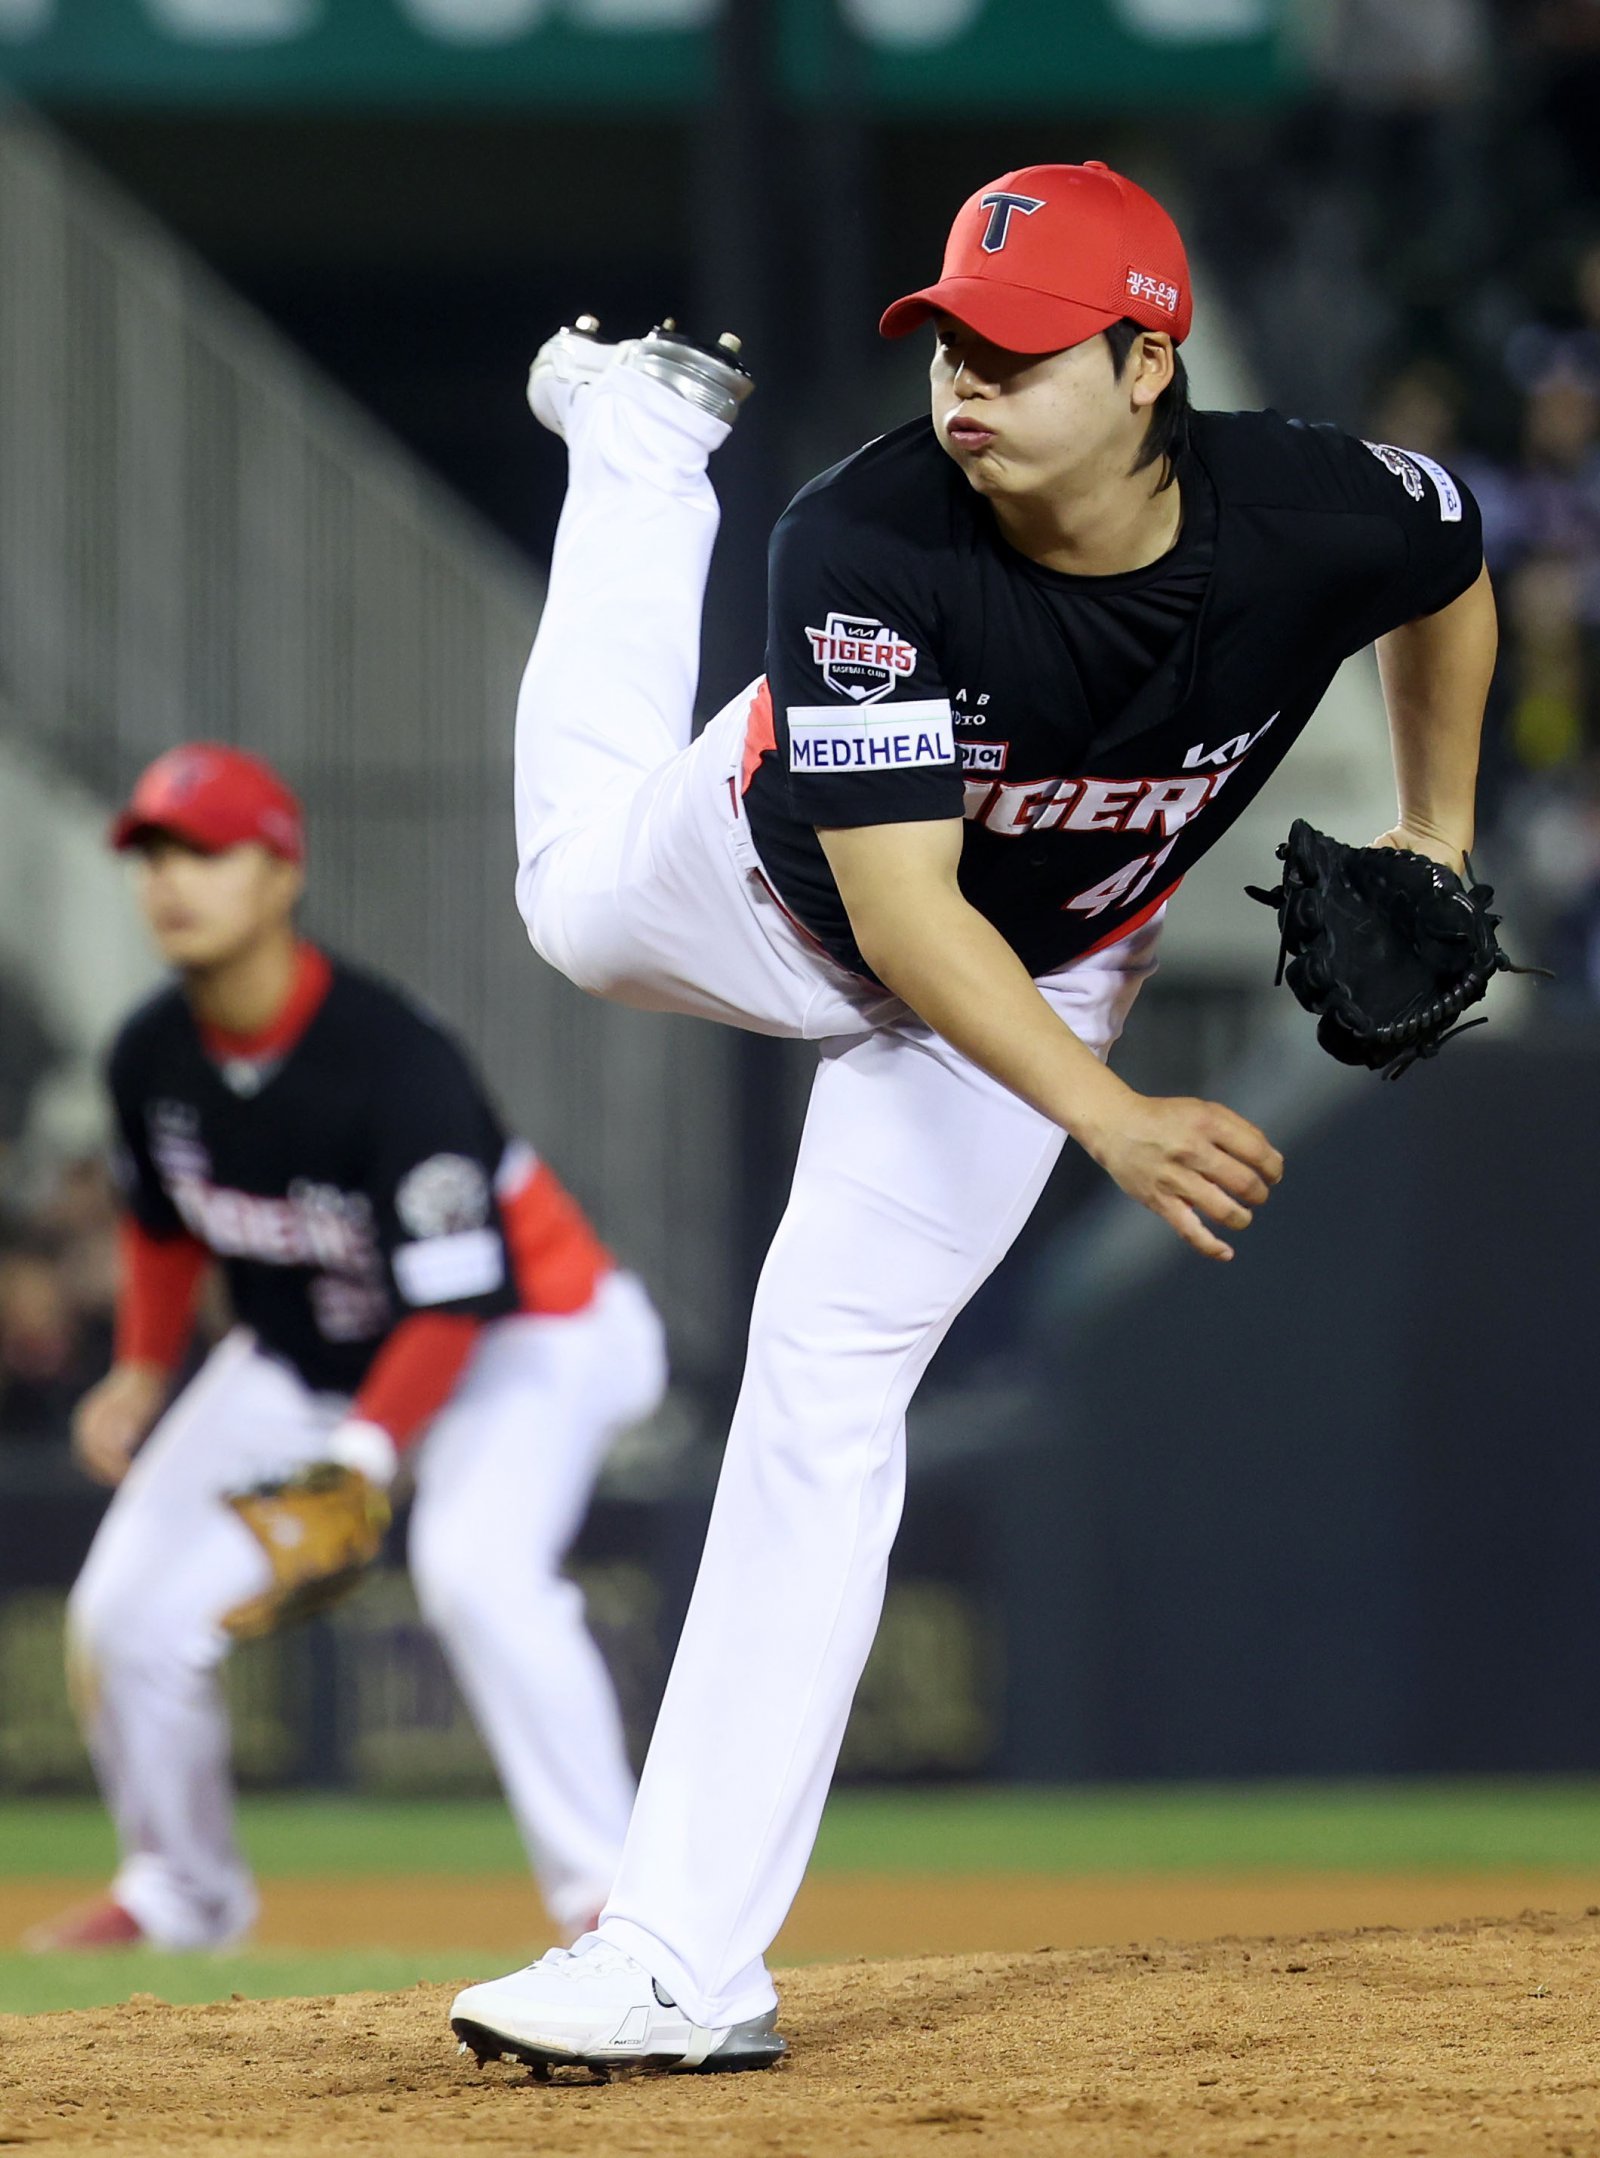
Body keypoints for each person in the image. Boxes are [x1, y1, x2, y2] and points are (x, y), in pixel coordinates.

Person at [450, 161, 1494, 2073]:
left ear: (1148, 363)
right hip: (766, 894)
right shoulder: (868, 539)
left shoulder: (1314, 506)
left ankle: (679, 1955)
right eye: (950, 343)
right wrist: (1111, 1118)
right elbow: (909, 917)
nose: (966, 382)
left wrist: (1438, 827)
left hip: (1045, 971)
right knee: (564, 903)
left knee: (824, 1387)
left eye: (1016, 351)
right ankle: (641, 449)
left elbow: (1448, 562)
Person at [29, 742, 666, 1954]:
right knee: (126, 1616)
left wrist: (365, 1458)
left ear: (282, 874)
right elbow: (163, 1225)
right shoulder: (151, 1056)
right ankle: (182, 1892)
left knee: (477, 1569)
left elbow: (452, 1303)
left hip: (531, 1333)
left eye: (205, 851)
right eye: (151, 855)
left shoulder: (392, 1061)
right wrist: (143, 1370)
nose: (171, 880)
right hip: (312, 1353)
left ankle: (616, 1898)